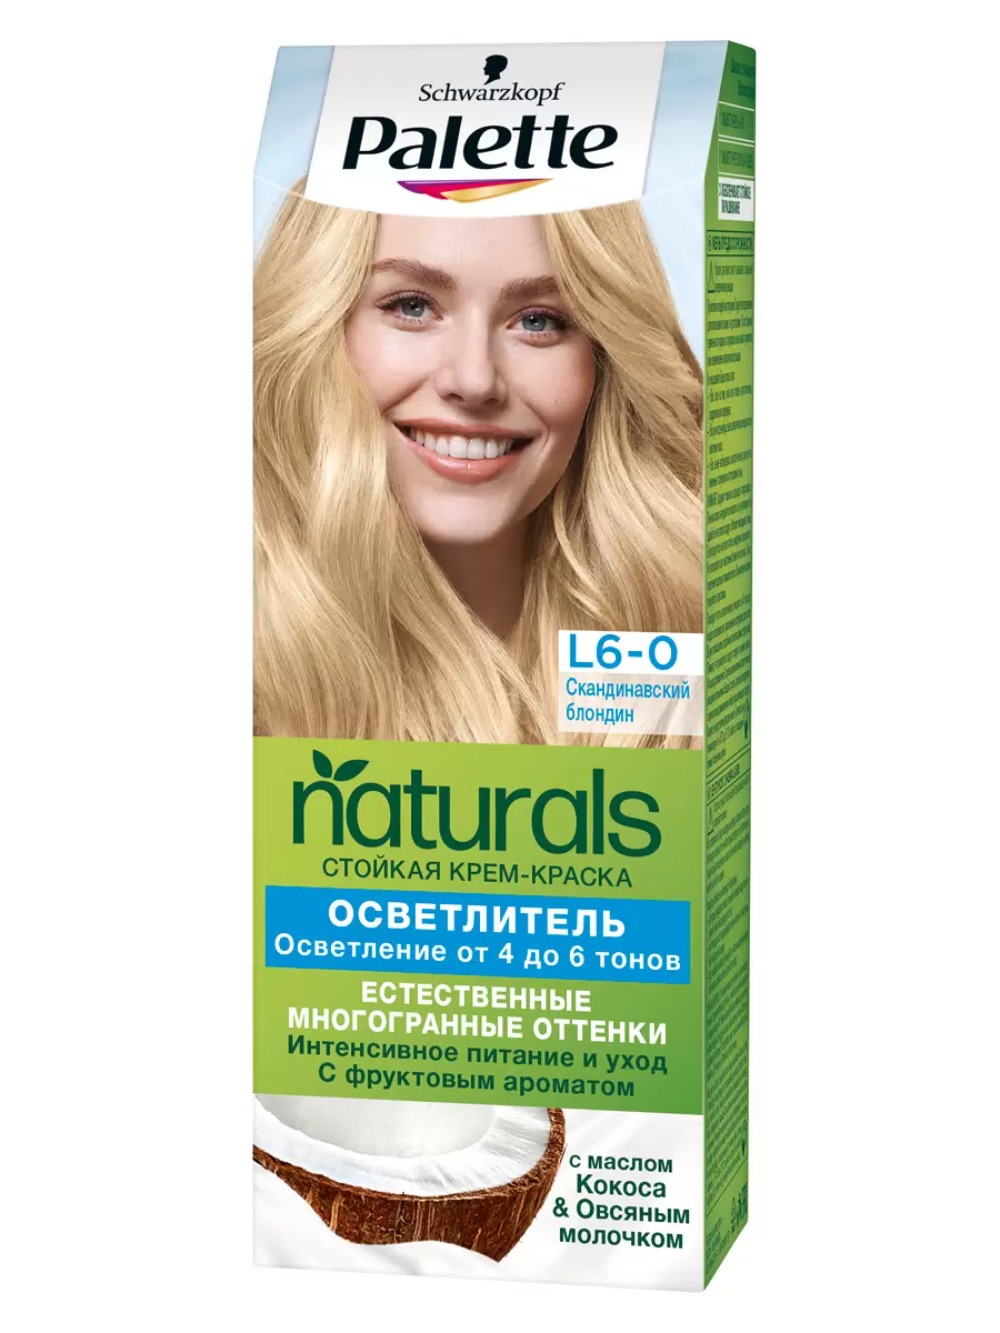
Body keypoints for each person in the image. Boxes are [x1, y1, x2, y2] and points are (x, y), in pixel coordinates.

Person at [254, 190, 703, 746]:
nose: (474, 380)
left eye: (538, 320)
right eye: (412, 307)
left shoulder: (678, 651)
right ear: (316, 330)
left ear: (604, 362)